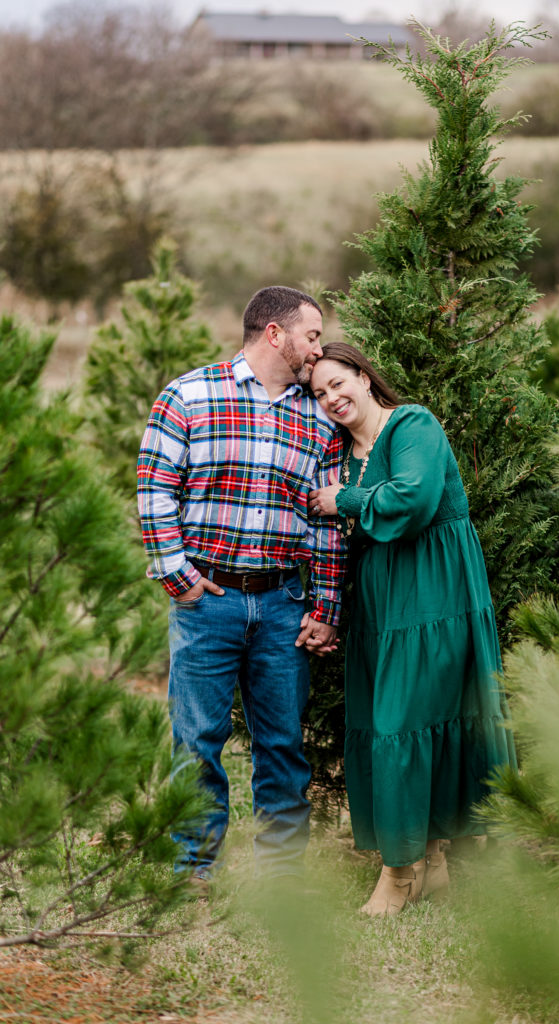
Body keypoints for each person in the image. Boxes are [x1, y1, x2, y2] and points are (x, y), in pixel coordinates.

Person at [137, 286, 346, 883]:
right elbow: (154, 488)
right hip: (210, 600)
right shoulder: (190, 394)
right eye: (311, 335)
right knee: (197, 739)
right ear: (275, 334)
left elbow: (325, 521)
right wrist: (181, 578)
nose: (318, 348)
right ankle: (191, 866)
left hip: (283, 602)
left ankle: (281, 878)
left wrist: (325, 606)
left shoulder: (317, 414)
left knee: (282, 742)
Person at [309, 342, 516, 916]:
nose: (331, 398)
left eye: (338, 383)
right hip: (381, 603)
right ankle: (430, 864)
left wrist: (344, 500)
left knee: (405, 723)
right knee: (388, 724)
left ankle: (399, 875)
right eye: (319, 394)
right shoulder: (337, 452)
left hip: (435, 591)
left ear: (365, 376)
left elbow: (415, 498)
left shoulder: (412, 423)